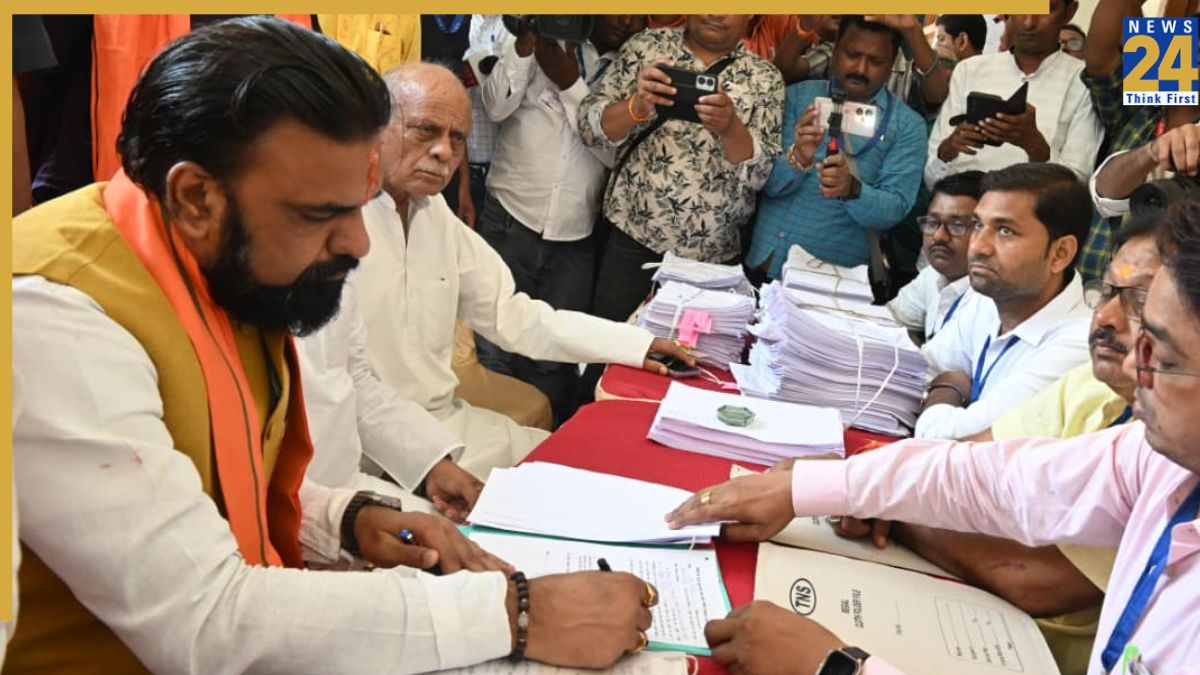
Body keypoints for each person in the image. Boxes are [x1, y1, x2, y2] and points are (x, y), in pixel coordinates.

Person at [10, 18, 654, 673]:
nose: (360, 243)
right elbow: (206, 619)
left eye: (358, 204)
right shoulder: (57, 317)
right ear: (196, 196)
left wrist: (346, 516)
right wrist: (514, 612)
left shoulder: (227, 257)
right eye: (322, 213)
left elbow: (219, 483)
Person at [665, 201, 1200, 675]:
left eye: (1163, 355)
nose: (1134, 362)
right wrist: (809, 487)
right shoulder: (1161, 457)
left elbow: (1028, 572)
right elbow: (994, 477)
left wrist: (834, 667)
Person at [355, 63, 692, 480]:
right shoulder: (336, 226)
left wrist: (636, 345)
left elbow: (514, 316)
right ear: (375, 127)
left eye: (456, 138)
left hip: (449, 428)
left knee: (597, 467)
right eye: (425, 129)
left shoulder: (435, 216)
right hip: (374, 456)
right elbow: (343, 391)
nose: (444, 151)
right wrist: (428, 462)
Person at [855, 220, 1162, 675]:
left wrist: (894, 505)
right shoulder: (1090, 382)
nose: (1105, 318)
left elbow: (1031, 581)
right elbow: (969, 462)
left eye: (1139, 301)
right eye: (1108, 292)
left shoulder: (1168, 445)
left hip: (1029, 649)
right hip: (970, 600)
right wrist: (876, 482)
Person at [474, 14, 646, 425]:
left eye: (638, 11)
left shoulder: (634, 69)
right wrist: (527, 41)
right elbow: (495, 106)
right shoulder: (545, 42)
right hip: (509, 216)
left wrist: (571, 84)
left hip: (575, 234)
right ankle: (482, 452)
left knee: (552, 361)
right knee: (490, 345)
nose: (625, 19)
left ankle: (534, 452)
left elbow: (611, 150)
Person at [577, 14, 784, 324]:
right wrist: (637, 106)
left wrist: (730, 128)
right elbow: (588, 128)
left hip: (711, 261)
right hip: (631, 242)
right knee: (608, 354)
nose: (716, 13)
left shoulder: (765, 79)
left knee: (688, 365)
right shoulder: (646, 47)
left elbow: (762, 174)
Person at [917, 163, 1092, 439]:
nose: (979, 246)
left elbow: (945, 442)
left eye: (1005, 231)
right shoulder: (989, 298)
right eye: (978, 225)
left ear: (1060, 253)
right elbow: (915, 373)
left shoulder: (1077, 347)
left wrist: (945, 390)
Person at [746, 15, 926, 277]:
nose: (861, 69)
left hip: (829, 283)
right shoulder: (797, 97)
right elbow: (764, 185)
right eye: (852, 54)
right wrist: (797, 158)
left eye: (875, 61)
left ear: (891, 64)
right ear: (834, 50)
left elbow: (895, 209)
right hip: (762, 262)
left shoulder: (908, 126)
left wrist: (852, 189)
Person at [1076, 0, 1200, 281]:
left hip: (1159, 305)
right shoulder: (1144, 105)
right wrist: (1152, 151)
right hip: (1086, 288)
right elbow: (1099, 59)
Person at [925, 0, 1102, 190]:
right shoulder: (969, 70)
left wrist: (1034, 145)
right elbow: (931, 178)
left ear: (1069, 11)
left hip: (1033, 216)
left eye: (1046, 10)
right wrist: (948, 150)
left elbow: (1077, 188)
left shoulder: (1085, 81)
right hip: (962, 212)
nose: (1028, 22)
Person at [886, 170, 983, 344]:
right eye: (932, 223)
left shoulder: (996, 303)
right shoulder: (932, 275)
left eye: (957, 225)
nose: (939, 236)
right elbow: (889, 321)